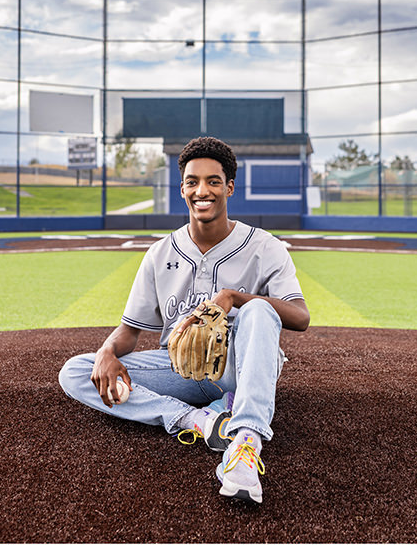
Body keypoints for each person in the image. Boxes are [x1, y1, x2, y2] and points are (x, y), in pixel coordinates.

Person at [59, 136, 310, 505]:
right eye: (193, 182)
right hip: (181, 372)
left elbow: (301, 317)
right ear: (182, 189)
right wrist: (107, 351)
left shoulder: (263, 245)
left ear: (229, 187)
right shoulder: (160, 252)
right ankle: (201, 423)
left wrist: (233, 298)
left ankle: (245, 443)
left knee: (258, 310)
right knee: (77, 372)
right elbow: (130, 331)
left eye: (212, 181)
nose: (202, 190)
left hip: (241, 367)